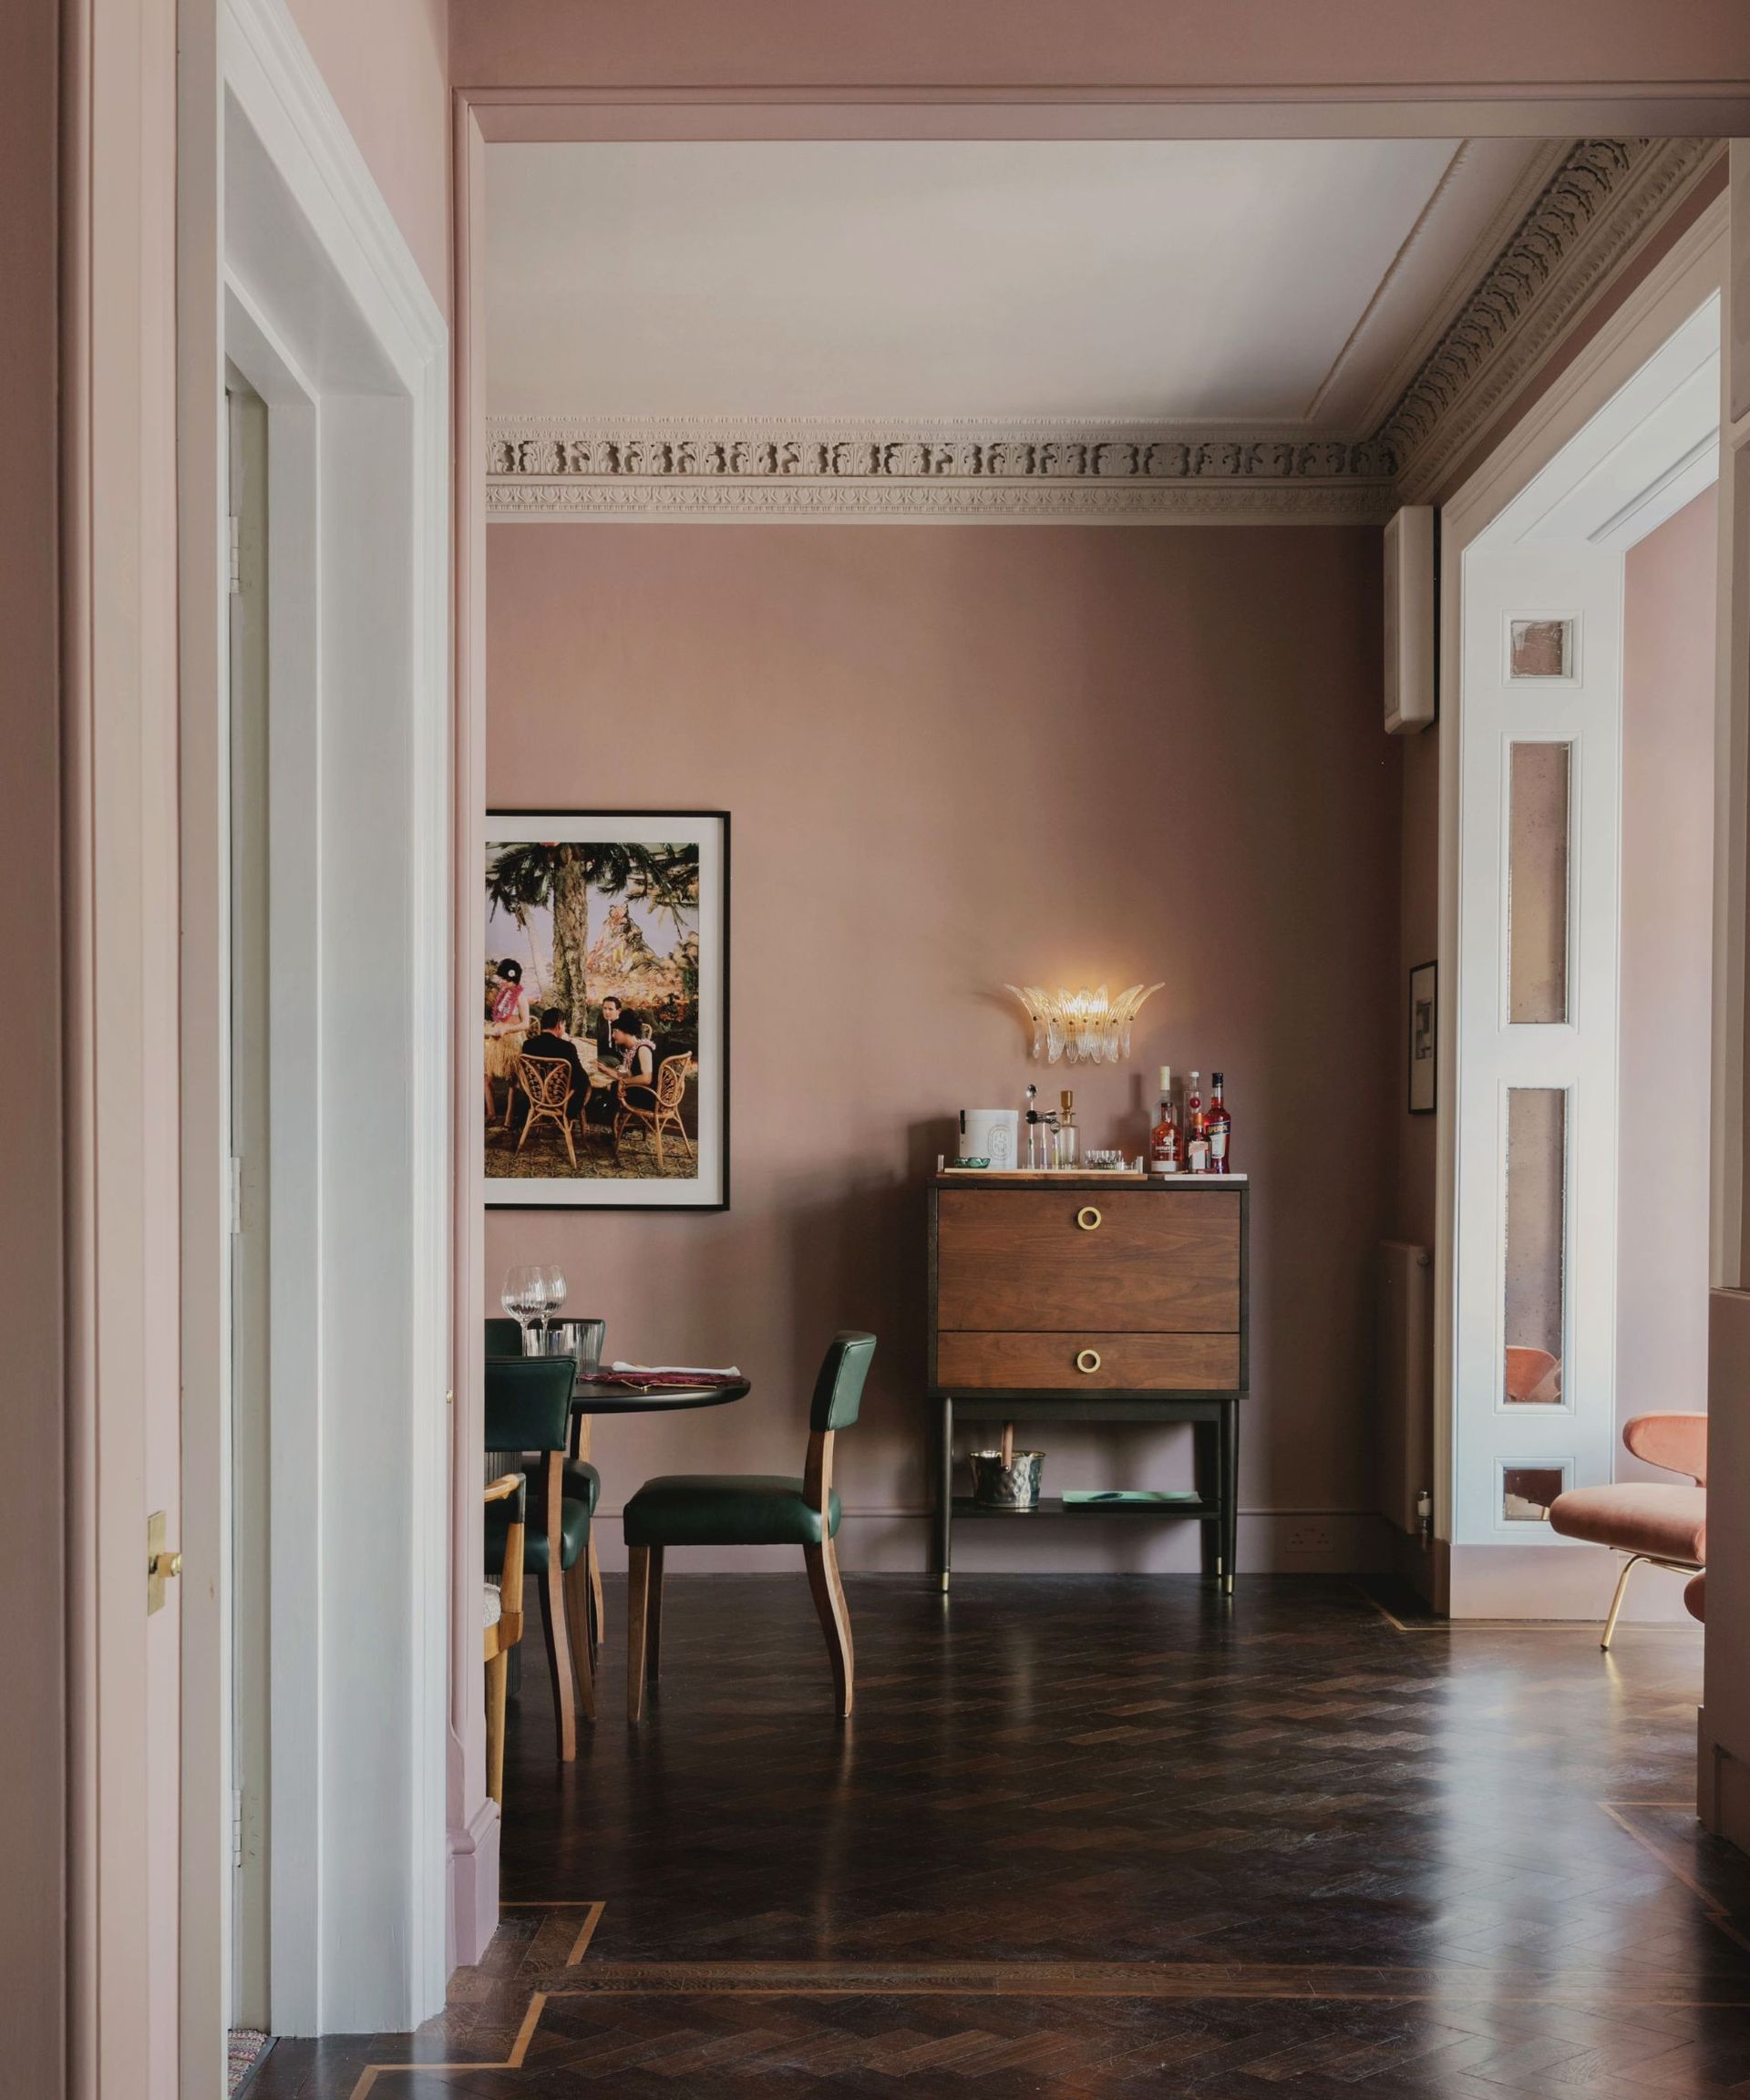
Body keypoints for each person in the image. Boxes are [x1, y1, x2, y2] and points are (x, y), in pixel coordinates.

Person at [516, 1007, 590, 1133]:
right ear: (559, 1025)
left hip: (536, 1098)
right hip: (561, 1099)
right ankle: (568, 1116)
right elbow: (580, 1077)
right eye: (564, 1025)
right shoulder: (567, 1047)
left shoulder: (528, 1045)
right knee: (585, 1082)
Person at [484, 959, 531, 1124]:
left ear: (511, 978)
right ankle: (491, 1113)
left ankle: (509, 1117)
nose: (500, 981)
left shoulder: (521, 997)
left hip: (512, 1041)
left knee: (512, 1080)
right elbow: (500, 1017)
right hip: (497, 1040)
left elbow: (526, 1023)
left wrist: (507, 1029)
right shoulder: (502, 993)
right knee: (486, 1077)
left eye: (503, 978)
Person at [593, 994, 623, 1065]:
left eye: (610, 1009)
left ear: (618, 1011)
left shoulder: (624, 1023)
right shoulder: (601, 1018)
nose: (606, 1012)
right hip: (605, 1053)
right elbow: (599, 1040)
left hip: (620, 1057)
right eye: (605, 1008)